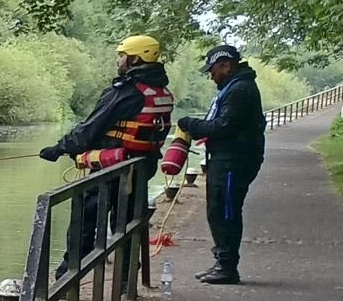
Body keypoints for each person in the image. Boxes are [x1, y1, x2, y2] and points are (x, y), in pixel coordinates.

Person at [37, 34, 174, 269]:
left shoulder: (125, 91)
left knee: (85, 216)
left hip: (114, 168)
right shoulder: (159, 90)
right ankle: (125, 276)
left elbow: (90, 128)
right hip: (142, 167)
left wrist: (59, 148)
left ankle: (69, 274)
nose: (118, 61)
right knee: (128, 221)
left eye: (122, 56)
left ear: (135, 59)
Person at [177, 44, 266, 284]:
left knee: (225, 211)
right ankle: (222, 262)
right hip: (228, 158)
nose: (211, 76)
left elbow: (224, 126)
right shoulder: (234, 86)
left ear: (226, 65)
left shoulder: (240, 90)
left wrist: (191, 125)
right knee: (218, 210)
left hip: (234, 160)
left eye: (213, 70)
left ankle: (227, 266)